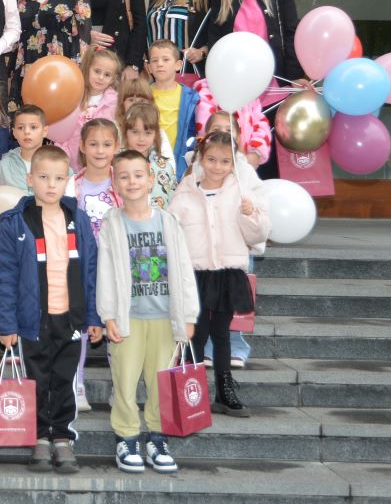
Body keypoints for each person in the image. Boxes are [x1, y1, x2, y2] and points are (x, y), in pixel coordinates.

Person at [0, 145, 102, 475]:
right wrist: (5, 323)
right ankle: (40, 436)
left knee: (64, 380)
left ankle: (62, 437)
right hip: (32, 320)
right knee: (36, 380)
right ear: (30, 180)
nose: (51, 185)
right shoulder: (14, 223)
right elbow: (5, 276)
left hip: (70, 317)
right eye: (43, 177)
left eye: (58, 178)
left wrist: (94, 316)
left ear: (68, 181)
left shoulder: (78, 220)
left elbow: (91, 271)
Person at [97, 149, 198, 474]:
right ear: (114, 182)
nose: (132, 182)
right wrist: (108, 315)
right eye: (124, 176)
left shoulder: (168, 221)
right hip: (128, 318)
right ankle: (127, 437)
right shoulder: (112, 224)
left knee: (160, 384)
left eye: (138, 175)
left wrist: (189, 315)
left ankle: (157, 437)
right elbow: (105, 272)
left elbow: (184, 270)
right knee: (124, 382)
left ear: (151, 179)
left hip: (164, 318)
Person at [168, 131, 270, 418]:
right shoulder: (186, 189)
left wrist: (250, 214)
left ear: (233, 163)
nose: (217, 166)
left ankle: (225, 390)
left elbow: (258, 234)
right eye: (211, 159)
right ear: (201, 158)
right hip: (196, 273)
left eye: (225, 161)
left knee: (222, 333)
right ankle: (191, 392)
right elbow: (172, 232)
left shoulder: (240, 190)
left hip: (227, 272)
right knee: (197, 334)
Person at [209, 0, 306, 179]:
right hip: (235, 93)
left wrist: (295, 75)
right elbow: (214, 41)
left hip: (273, 90)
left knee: (269, 160)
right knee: (235, 156)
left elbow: (292, 33)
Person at [191, 110, 265, 371]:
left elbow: (260, 210)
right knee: (202, 311)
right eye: (216, 129)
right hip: (203, 253)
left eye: (228, 130)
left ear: (238, 137)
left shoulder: (245, 172)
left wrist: (250, 216)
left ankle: (236, 349)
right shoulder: (195, 169)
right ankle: (203, 354)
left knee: (230, 310)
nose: (222, 134)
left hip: (234, 250)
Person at [70, 117, 121, 413]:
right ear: (82, 146)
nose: (100, 151)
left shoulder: (122, 183)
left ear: (116, 147)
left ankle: (120, 386)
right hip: (82, 266)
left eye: (106, 144)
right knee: (81, 323)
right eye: (93, 144)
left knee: (116, 323)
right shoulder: (73, 185)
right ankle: (77, 384)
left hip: (115, 267)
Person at [60, 46, 123, 168]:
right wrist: (63, 157)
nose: (101, 77)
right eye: (97, 71)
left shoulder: (115, 102)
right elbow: (62, 132)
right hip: (72, 163)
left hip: (101, 165)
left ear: (113, 79)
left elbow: (117, 134)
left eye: (107, 75)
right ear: (88, 68)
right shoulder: (74, 96)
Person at [147, 40, 199, 178]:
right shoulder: (143, 95)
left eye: (165, 59)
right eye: (154, 60)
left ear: (178, 65)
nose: (159, 64)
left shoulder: (190, 97)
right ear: (149, 67)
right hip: (149, 161)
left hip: (179, 162)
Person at [120, 101, 178, 209]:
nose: (141, 139)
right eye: (135, 132)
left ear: (155, 134)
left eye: (148, 133)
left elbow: (173, 202)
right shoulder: (116, 164)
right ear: (125, 132)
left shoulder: (165, 167)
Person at [0, 105, 51, 196]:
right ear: (14, 133)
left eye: (33, 127)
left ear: (44, 131)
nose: (26, 132)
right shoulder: (3, 167)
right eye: (21, 128)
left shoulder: (58, 165)